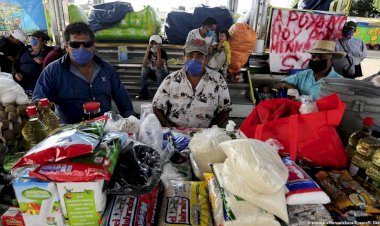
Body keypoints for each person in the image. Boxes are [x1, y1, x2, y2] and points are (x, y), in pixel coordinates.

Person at [33, 22, 135, 124]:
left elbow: (123, 101)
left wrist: (133, 123)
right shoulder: (53, 72)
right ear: (67, 46)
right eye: (75, 45)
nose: (81, 49)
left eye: (87, 44)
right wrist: (41, 106)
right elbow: (40, 102)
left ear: (93, 46)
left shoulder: (107, 70)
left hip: (105, 132)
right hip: (71, 136)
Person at [152, 38, 232, 128]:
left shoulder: (218, 80)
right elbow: (157, 106)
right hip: (176, 134)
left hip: (205, 136)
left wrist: (210, 131)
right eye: (190, 55)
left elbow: (225, 110)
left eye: (200, 56)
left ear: (206, 59)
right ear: (184, 57)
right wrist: (171, 128)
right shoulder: (171, 79)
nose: (194, 60)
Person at [276, 40, 346, 100]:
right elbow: (277, 84)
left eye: (321, 57)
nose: (316, 59)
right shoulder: (303, 75)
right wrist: (290, 87)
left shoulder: (340, 82)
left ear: (331, 61)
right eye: (313, 56)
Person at [136, 35, 169, 100]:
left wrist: (158, 51)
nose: (154, 45)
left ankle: (161, 94)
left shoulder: (163, 52)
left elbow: (159, 66)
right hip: (153, 72)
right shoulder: (150, 52)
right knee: (144, 70)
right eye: (152, 43)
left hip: (162, 73)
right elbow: (144, 65)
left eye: (156, 43)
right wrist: (147, 51)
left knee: (158, 71)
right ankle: (143, 93)